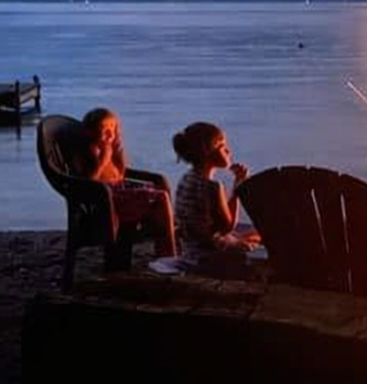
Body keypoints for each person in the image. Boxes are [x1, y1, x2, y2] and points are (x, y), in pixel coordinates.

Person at [79, 107, 177, 258]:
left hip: (121, 194)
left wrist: (118, 156)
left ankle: (165, 243)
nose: (110, 134)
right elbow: (89, 182)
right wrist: (103, 161)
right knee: (161, 197)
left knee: (159, 188)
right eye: (104, 130)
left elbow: (120, 175)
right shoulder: (92, 151)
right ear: (90, 132)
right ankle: (170, 252)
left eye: (113, 128)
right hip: (109, 201)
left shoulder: (110, 149)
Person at [171, 121, 259, 277]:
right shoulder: (213, 187)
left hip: (191, 249)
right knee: (260, 236)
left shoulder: (185, 179)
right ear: (208, 152)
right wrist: (238, 187)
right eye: (223, 147)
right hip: (211, 255)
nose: (228, 150)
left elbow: (215, 228)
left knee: (252, 234)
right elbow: (228, 227)